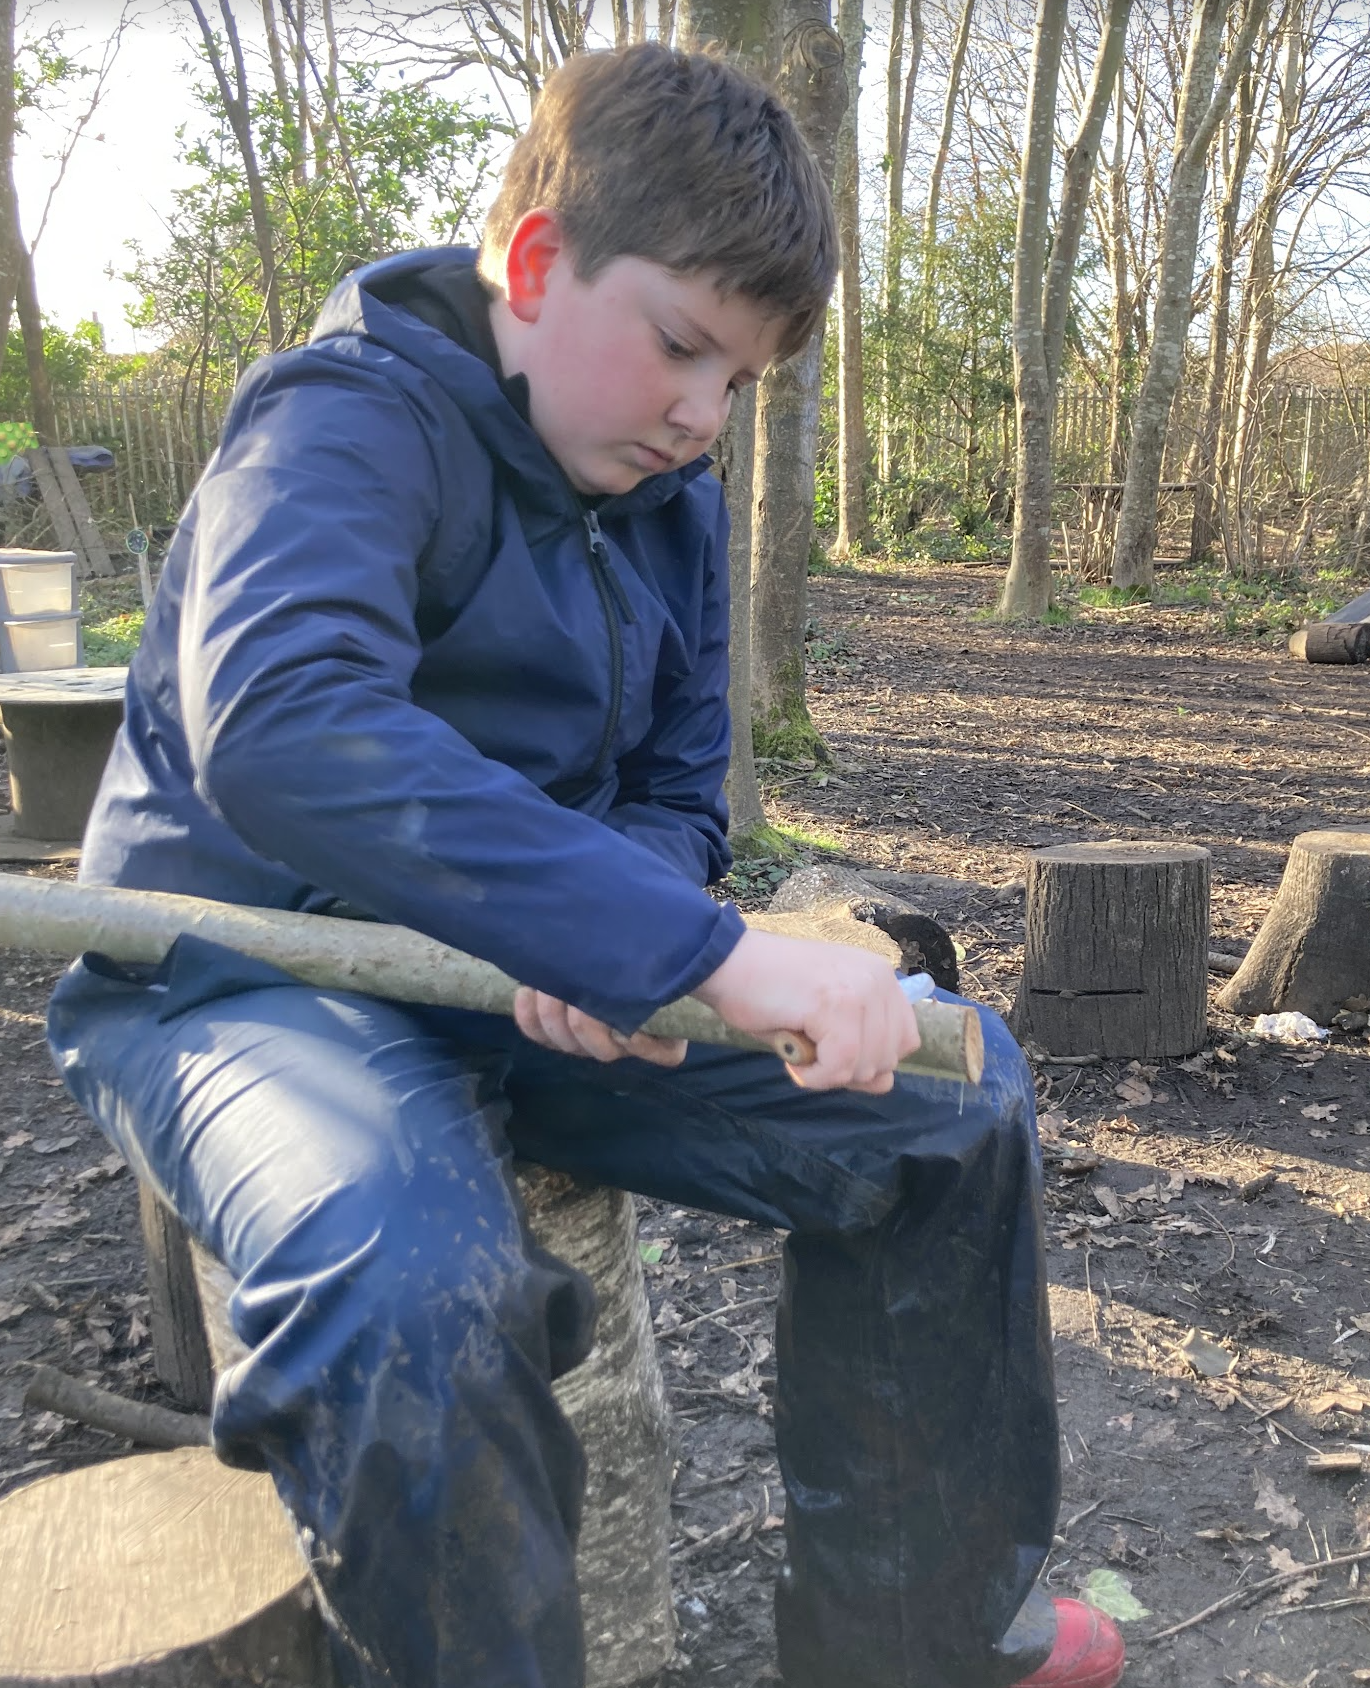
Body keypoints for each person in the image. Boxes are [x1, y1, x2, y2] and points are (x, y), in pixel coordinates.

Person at [46, 40, 1124, 1688]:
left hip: (514, 974)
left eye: (741, 381)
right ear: (537, 266)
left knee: (950, 1109)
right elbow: (284, 721)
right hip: (245, 979)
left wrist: (605, 927)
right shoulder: (338, 419)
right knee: (411, 1289)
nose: (704, 415)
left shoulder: (670, 498)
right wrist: (686, 953)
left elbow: (681, 783)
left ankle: (904, 1642)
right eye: (681, 347)